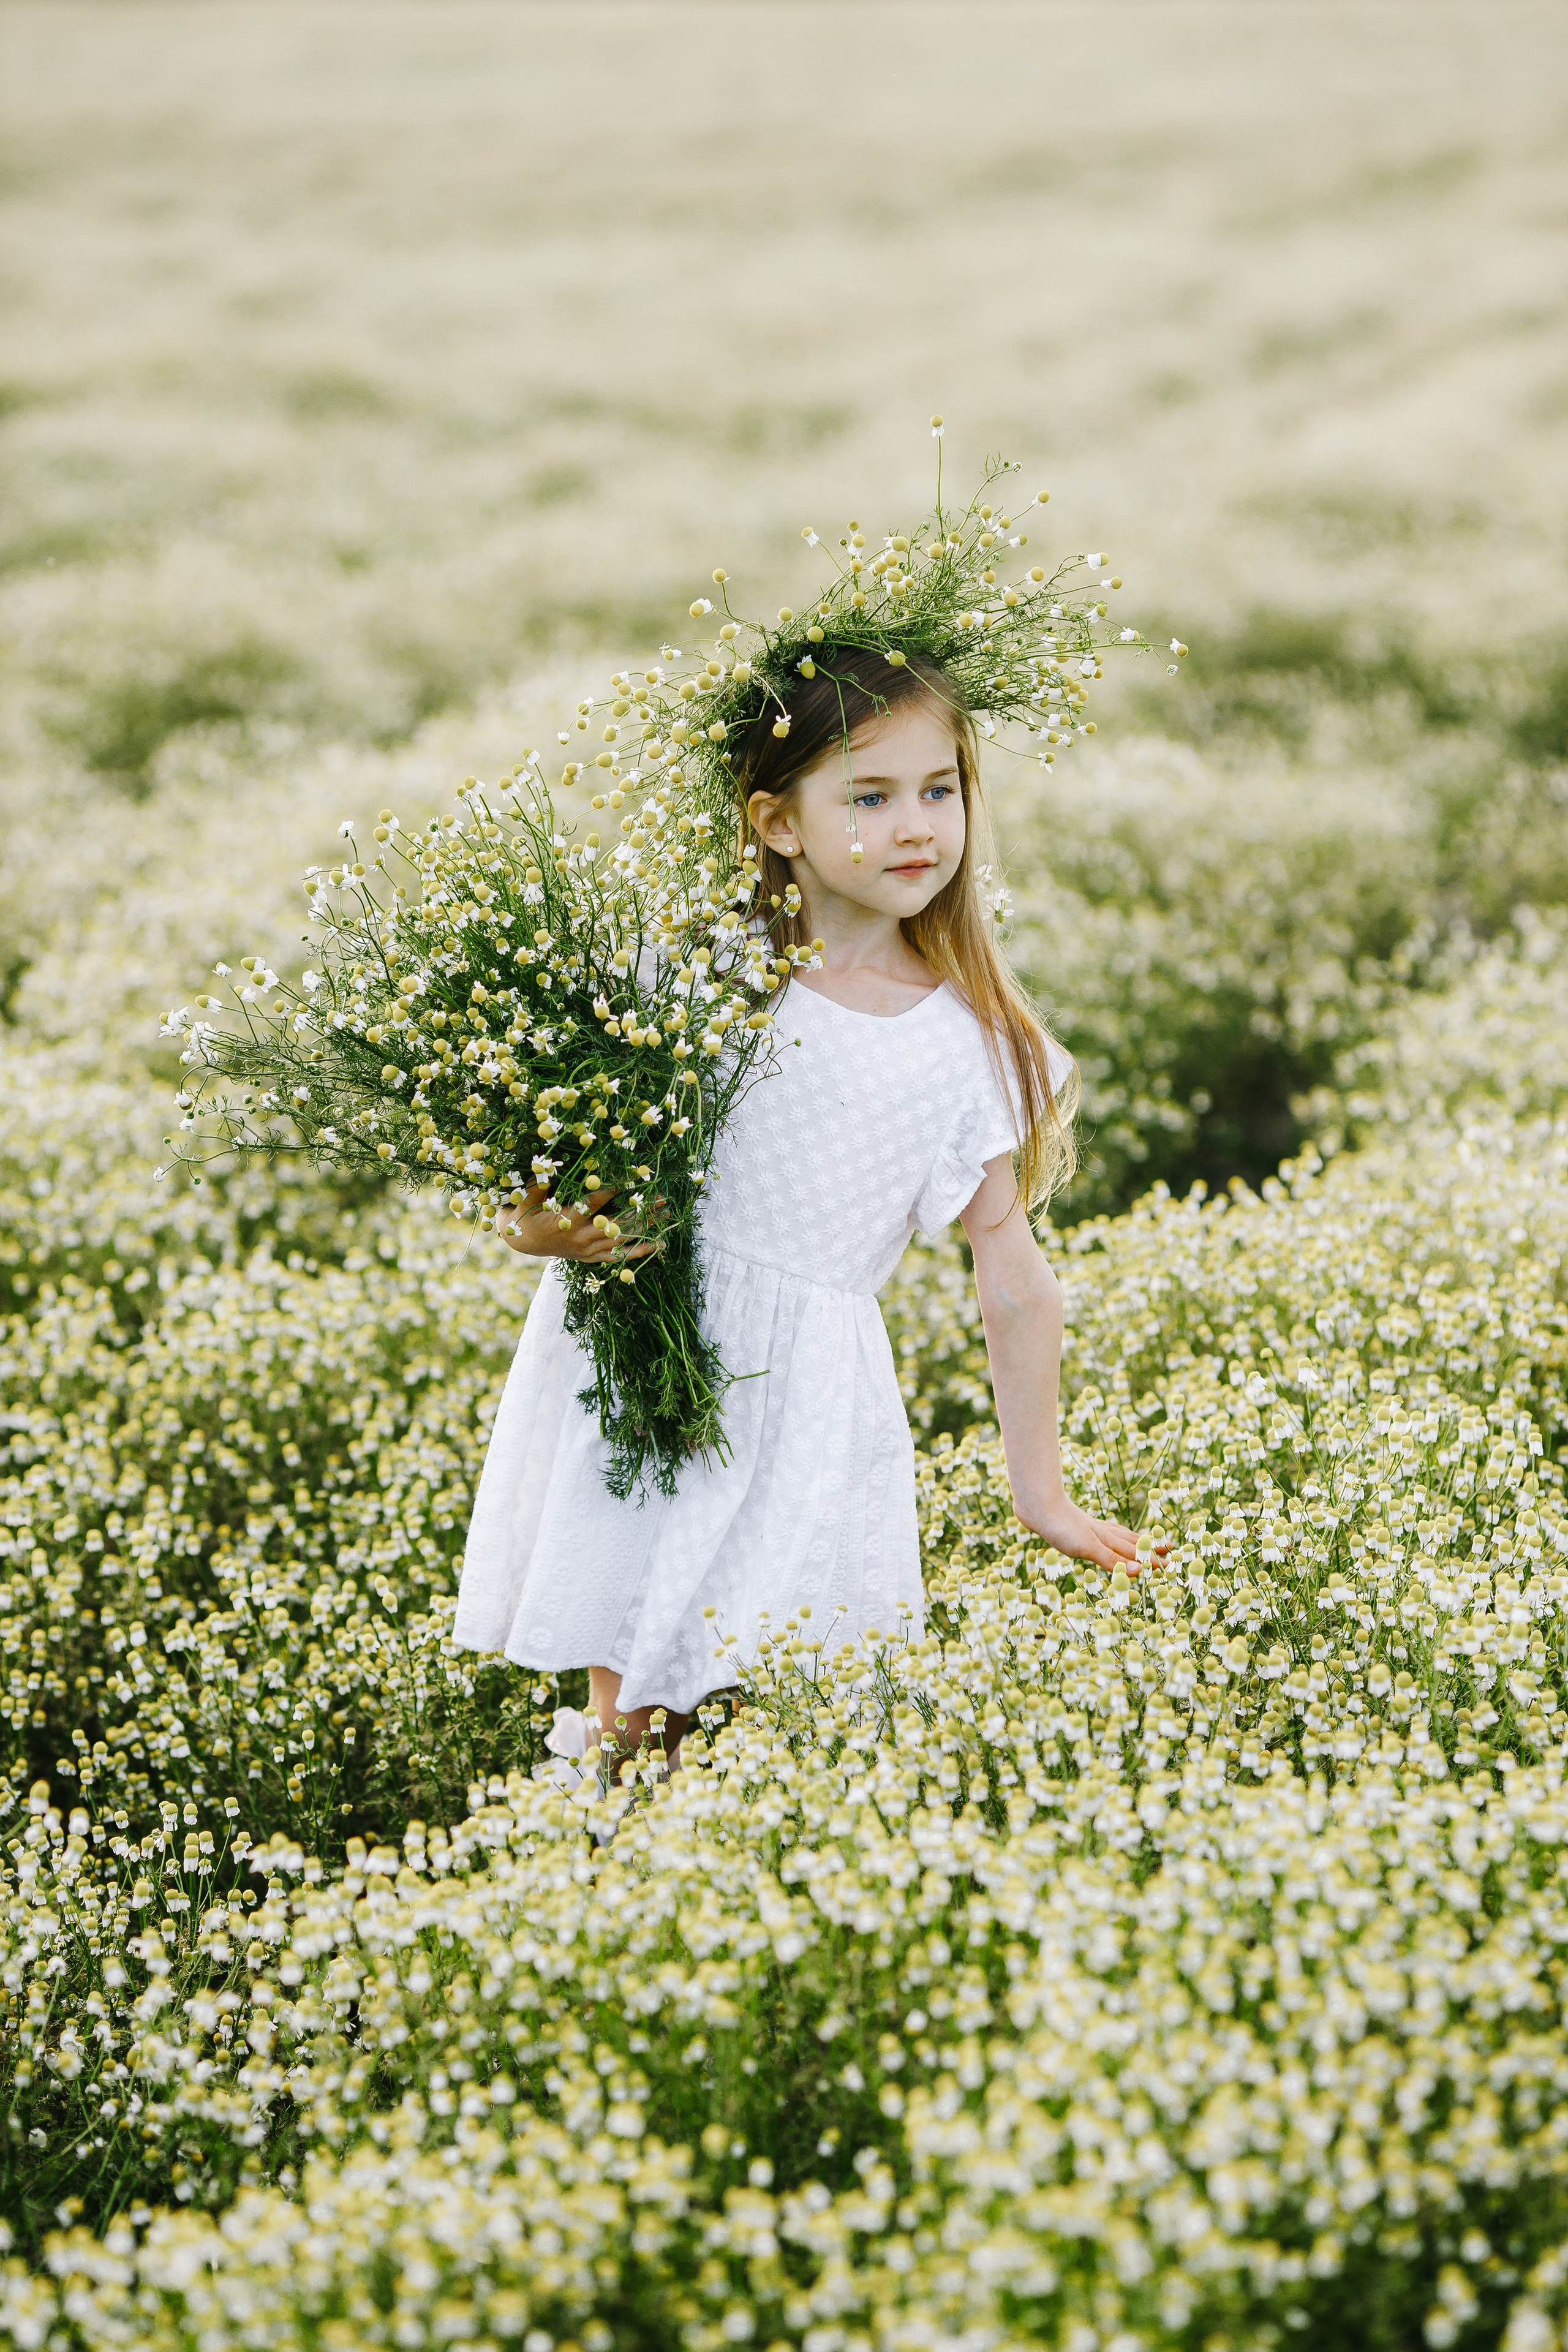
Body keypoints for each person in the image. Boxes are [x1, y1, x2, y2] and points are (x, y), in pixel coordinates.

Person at [451, 646, 1144, 1771]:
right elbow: (566, 1171)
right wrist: (535, 1230)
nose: (917, 823)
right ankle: (605, 1872)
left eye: (941, 789)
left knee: (781, 1713)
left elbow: (1013, 1277)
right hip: (654, 1362)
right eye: (869, 797)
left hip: (808, 1399)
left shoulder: (974, 1044)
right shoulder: (695, 977)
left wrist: (1044, 1494)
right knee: (635, 1706)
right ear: (779, 824)